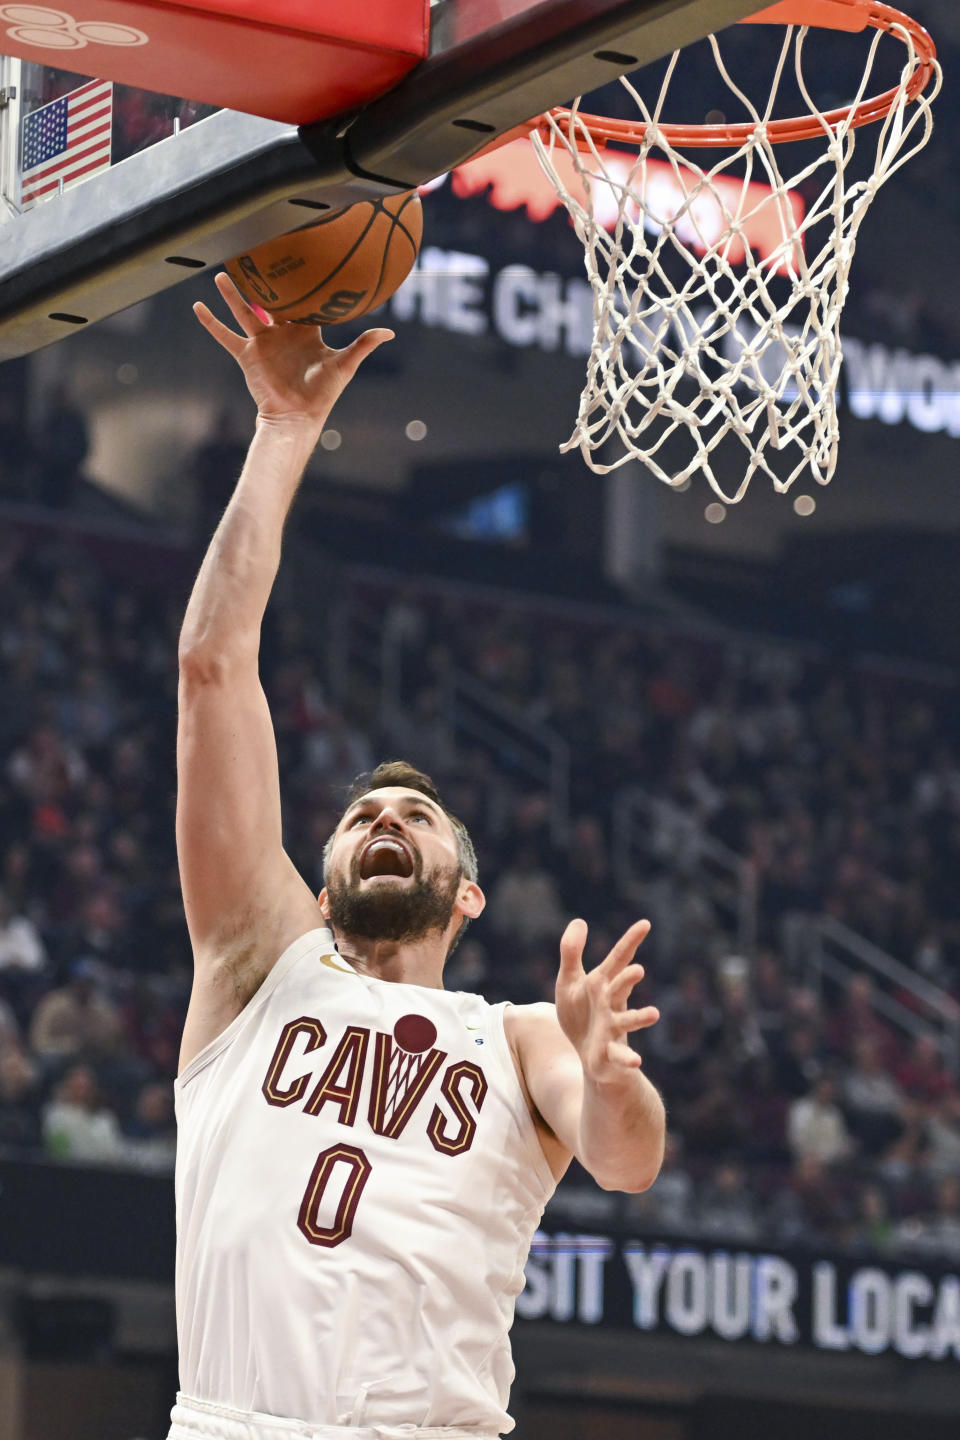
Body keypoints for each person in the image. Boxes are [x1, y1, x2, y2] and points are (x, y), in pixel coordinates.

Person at [169, 273, 666, 1440]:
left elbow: (630, 1164)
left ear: (469, 892)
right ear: (327, 866)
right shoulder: (255, 965)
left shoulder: (523, 1036)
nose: (385, 821)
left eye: (416, 819)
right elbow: (210, 666)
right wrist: (284, 431)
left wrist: (609, 1078)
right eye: (360, 818)